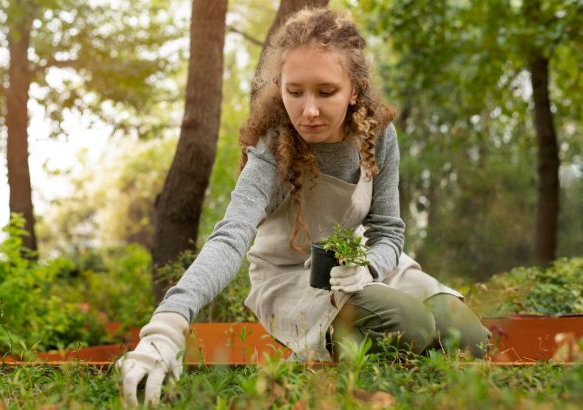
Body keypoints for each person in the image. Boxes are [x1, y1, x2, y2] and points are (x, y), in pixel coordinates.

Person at [117, 7, 491, 406]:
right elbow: (230, 238)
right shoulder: (272, 152)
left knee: (468, 337)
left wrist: (368, 268)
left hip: (358, 267)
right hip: (290, 278)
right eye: (294, 92)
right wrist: (169, 321)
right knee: (408, 325)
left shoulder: (378, 134)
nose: (308, 111)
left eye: (325, 92)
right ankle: (339, 376)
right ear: (279, 86)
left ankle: (399, 379)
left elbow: (388, 231)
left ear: (354, 90)